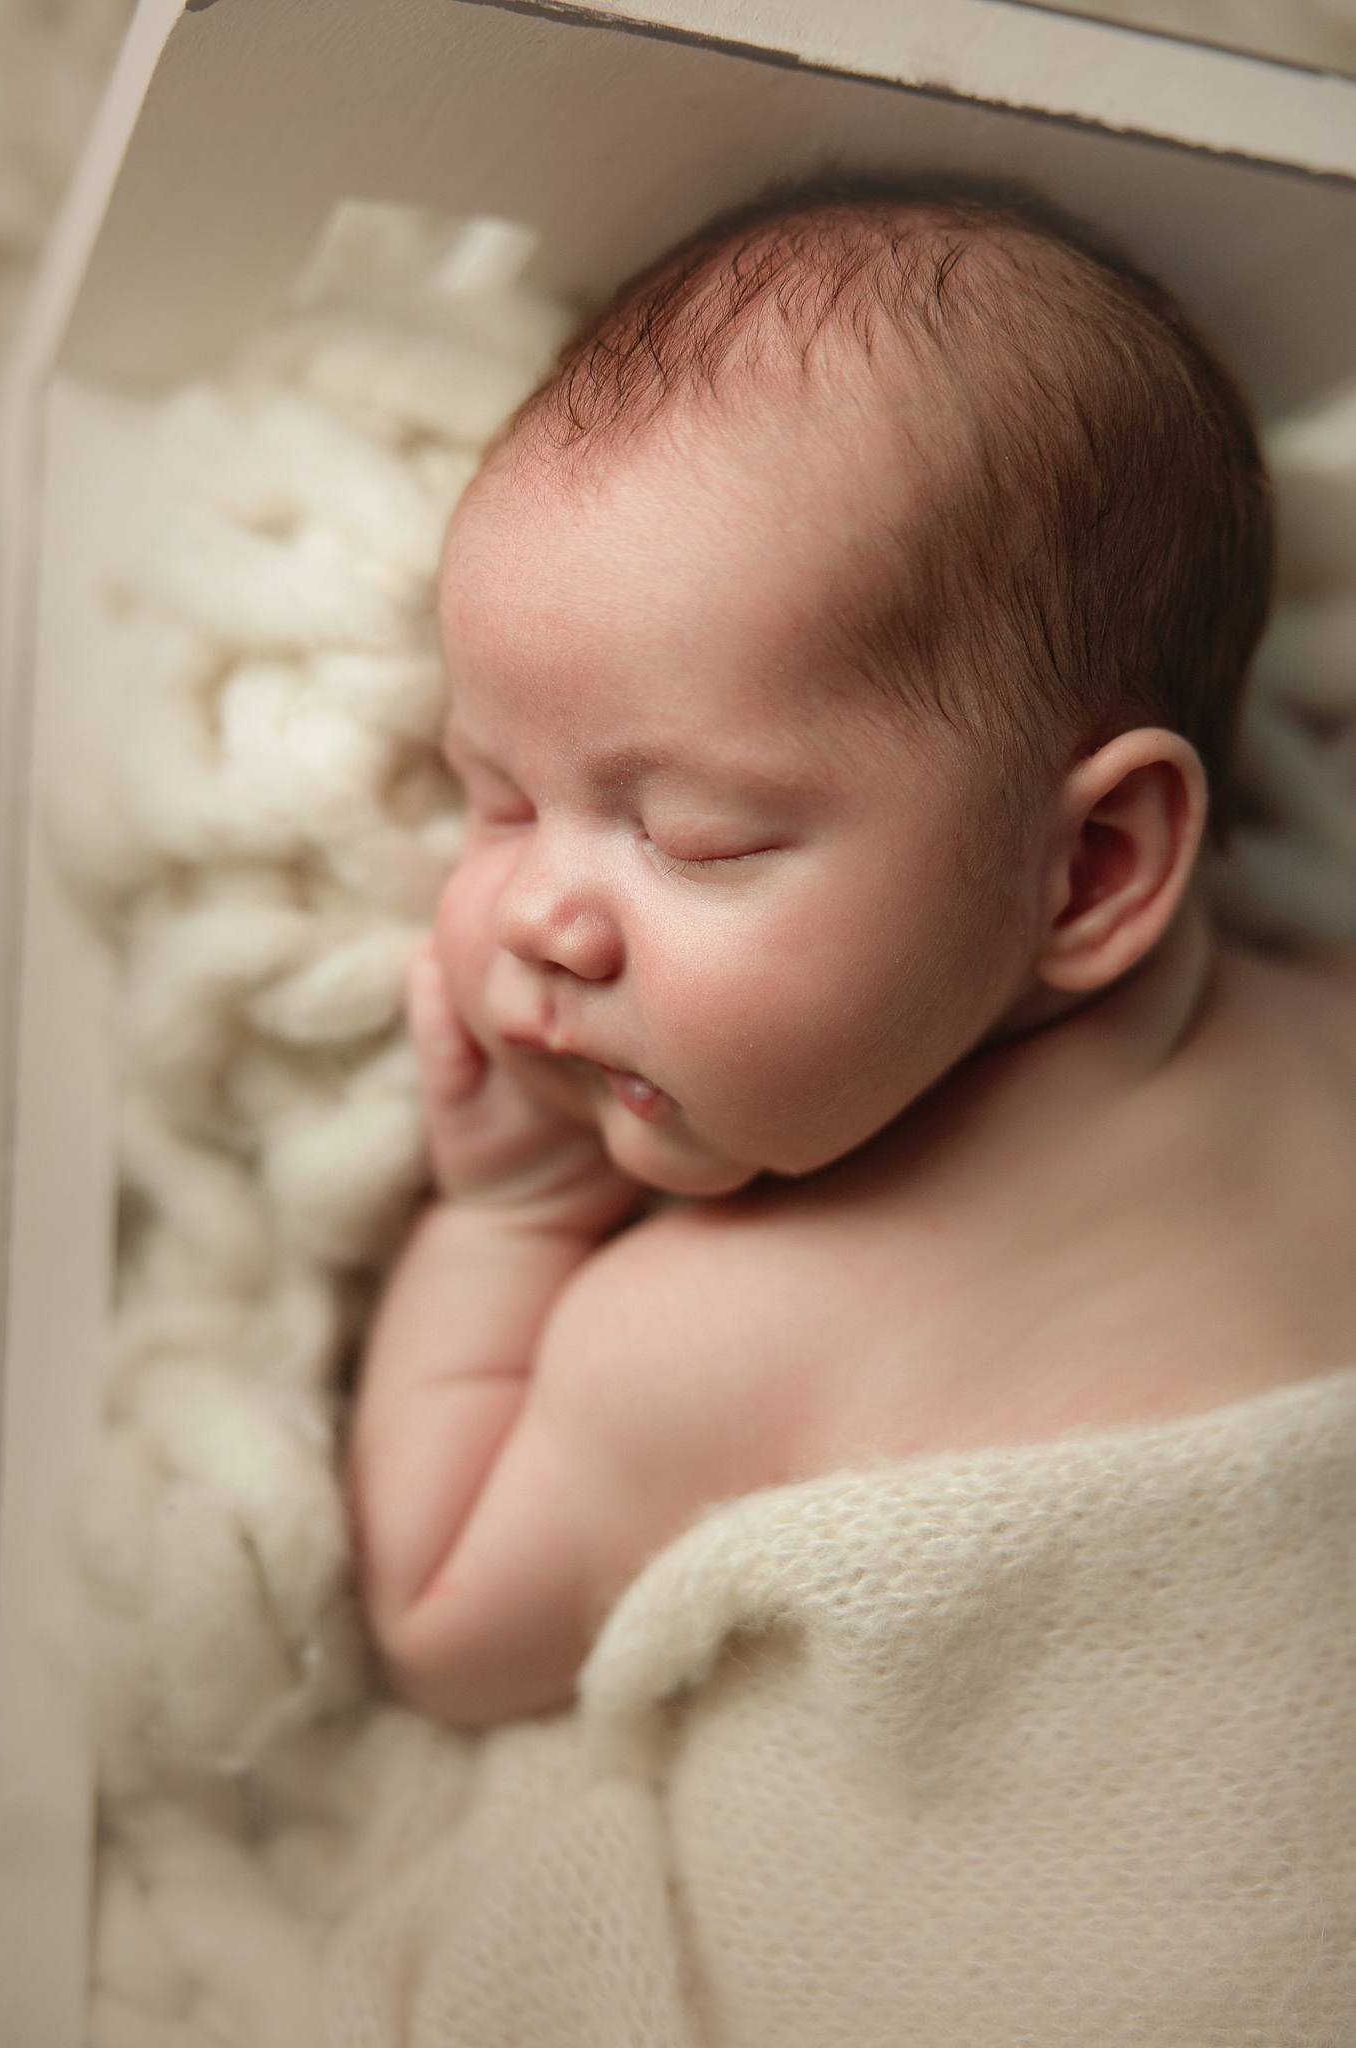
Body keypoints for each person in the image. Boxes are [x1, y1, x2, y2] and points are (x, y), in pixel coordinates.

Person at [344, 168, 1356, 1728]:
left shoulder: (704, 1342)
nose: (538, 916)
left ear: (1086, 868)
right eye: (494, 798)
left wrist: (508, 1223)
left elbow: (439, 1628)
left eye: (692, 837)